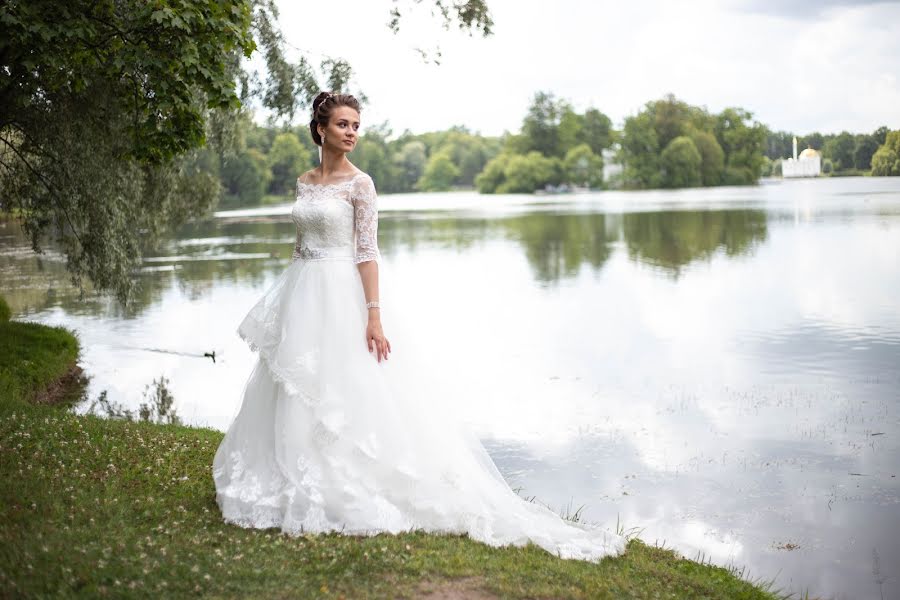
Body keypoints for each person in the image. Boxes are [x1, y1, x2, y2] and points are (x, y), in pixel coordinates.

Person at [212, 91, 627, 562]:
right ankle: (292, 475)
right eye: (343, 124)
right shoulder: (304, 182)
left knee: (346, 388)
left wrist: (373, 314)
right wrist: (286, 300)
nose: (352, 132)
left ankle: (354, 477)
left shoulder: (360, 185)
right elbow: (299, 245)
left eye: (356, 125)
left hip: (341, 295)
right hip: (302, 291)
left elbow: (367, 252)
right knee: (296, 385)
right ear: (321, 128)